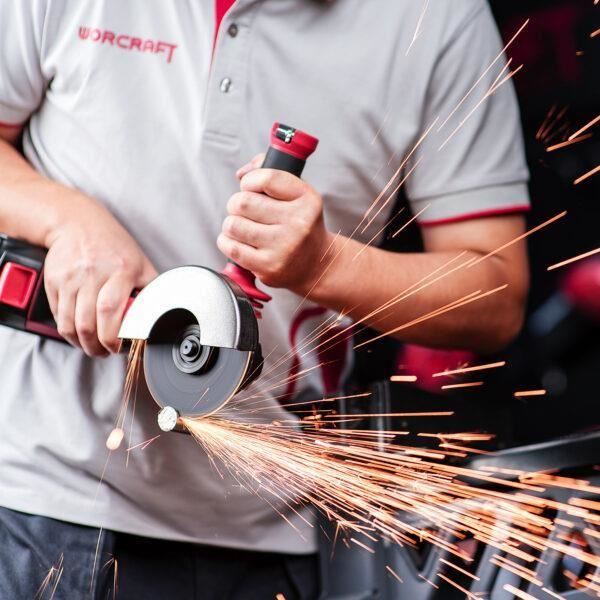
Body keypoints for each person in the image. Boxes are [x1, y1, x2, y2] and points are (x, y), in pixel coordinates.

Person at [0, 0, 530, 598]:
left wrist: (324, 264)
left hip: (267, 518)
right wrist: (66, 221)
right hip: (33, 489)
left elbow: (496, 293)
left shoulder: (439, 18)